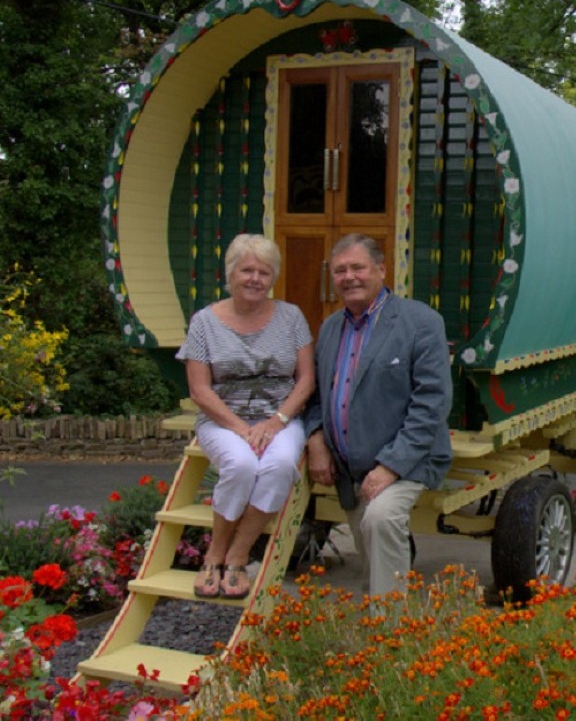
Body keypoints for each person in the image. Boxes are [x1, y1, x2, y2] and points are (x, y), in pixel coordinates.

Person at [304, 233, 452, 597]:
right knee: (372, 553)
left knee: (381, 519)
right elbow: (315, 395)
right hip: (350, 468)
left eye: (358, 267)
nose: (349, 277)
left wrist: (390, 465)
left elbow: (432, 402)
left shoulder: (420, 322)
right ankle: (381, 615)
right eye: (340, 270)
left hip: (408, 460)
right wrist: (316, 439)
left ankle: (389, 633)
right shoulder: (329, 328)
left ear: (382, 270)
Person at [176, 234, 315, 599]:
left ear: (273, 278)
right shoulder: (204, 322)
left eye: (264, 272)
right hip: (223, 419)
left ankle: (237, 556)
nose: (255, 279)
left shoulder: (292, 317)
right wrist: (241, 429)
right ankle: (214, 554)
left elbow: (306, 380)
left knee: (282, 464)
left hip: (280, 419)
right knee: (240, 465)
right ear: (231, 273)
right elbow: (199, 390)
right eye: (247, 270)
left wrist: (275, 423)